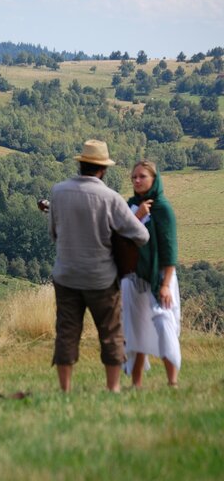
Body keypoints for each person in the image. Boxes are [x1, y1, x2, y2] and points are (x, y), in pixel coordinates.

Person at [48, 140, 150, 393]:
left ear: (81, 164)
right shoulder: (110, 198)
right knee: (111, 332)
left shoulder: (58, 192)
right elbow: (141, 235)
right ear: (103, 169)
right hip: (101, 278)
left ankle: (65, 389)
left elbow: (54, 234)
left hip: (66, 274)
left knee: (66, 331)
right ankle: (113, 388)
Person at [121, 160, 181, 388]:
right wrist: (136, 216)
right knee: (136, 329)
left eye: (142, 176)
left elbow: (169, 248)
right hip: (135, 277)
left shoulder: (163, 208)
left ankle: (172, 381)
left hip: (159, 277)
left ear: (154, 179)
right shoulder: (130, 207)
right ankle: (136, 384)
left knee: (164, 323)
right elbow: (120, 238)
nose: (137, 180)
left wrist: (165, 284)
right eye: (134, 177)